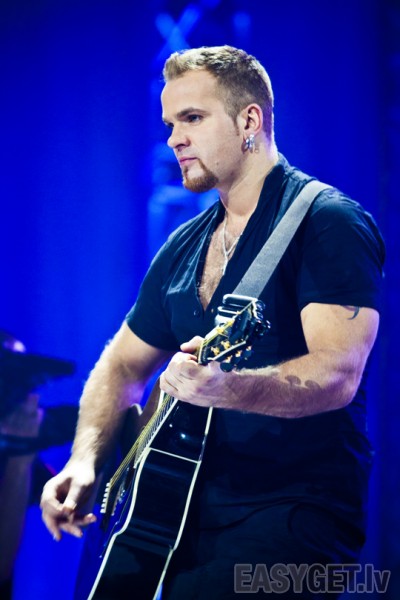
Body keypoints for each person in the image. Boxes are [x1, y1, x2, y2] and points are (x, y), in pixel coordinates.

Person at [40, 45, 385, 599]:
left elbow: (337, 375)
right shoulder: (186, 244)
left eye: (192, 119)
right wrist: (85, 461)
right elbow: (122, 364)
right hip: (167, 517)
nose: (174, 139)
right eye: (170, 124)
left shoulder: (327, 222)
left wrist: (225, 389)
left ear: (249, 121)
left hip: (291, 518)